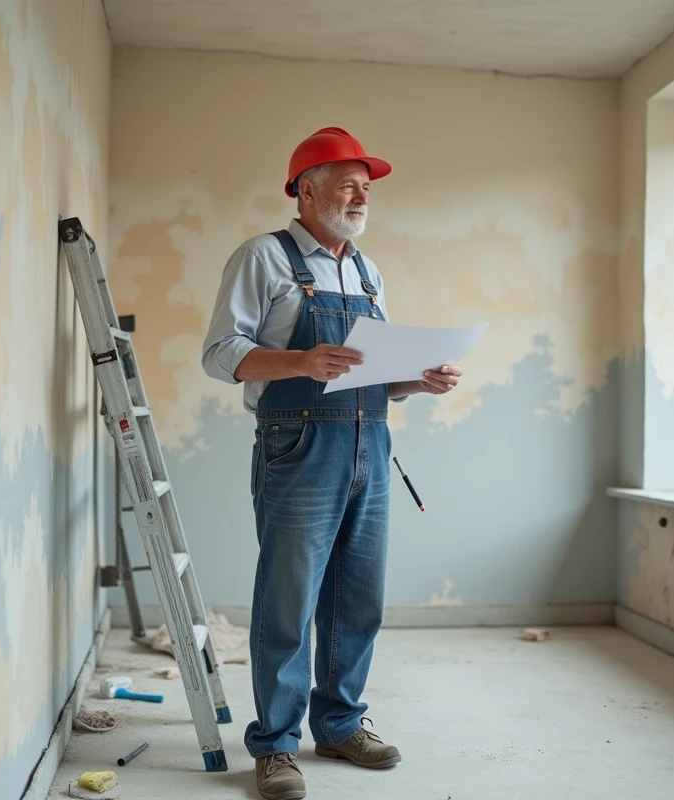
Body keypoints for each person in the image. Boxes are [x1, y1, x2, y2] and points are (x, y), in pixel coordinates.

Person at [201, 127, 463, 800]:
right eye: (348, 184)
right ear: (306, 189)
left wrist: (416, 381)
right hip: (298, 442)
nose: (360, 195)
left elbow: (370, 371)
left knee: (357, 598)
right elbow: (220, 352)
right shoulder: (264, 257)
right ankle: (276, 745)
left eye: (366, 186)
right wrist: (298, 361)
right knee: (287, 599)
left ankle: (341, 723)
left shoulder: (368, 270)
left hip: (370, 441)